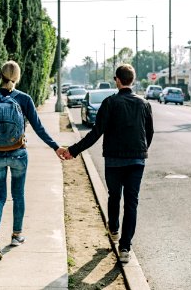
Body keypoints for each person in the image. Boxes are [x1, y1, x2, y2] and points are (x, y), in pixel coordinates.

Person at [63, 64, 154, 263]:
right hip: (137, 161)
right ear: (133, 79)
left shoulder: (110, 103)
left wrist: (73, 150)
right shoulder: (144, 104)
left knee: (114, 196)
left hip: (114, 160)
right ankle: (125, 248)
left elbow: (96, 133)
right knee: (132, 203)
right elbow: (149, 133)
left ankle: (113, 229)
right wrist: (141, 150)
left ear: (117, 80)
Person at [0, 60, 66, 260]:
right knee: (18, 195)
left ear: (1, 75)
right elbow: (38, 127)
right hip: (18, 153)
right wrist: (55, 147)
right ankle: (17, 235)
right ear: (17, 77)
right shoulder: (24, 99)